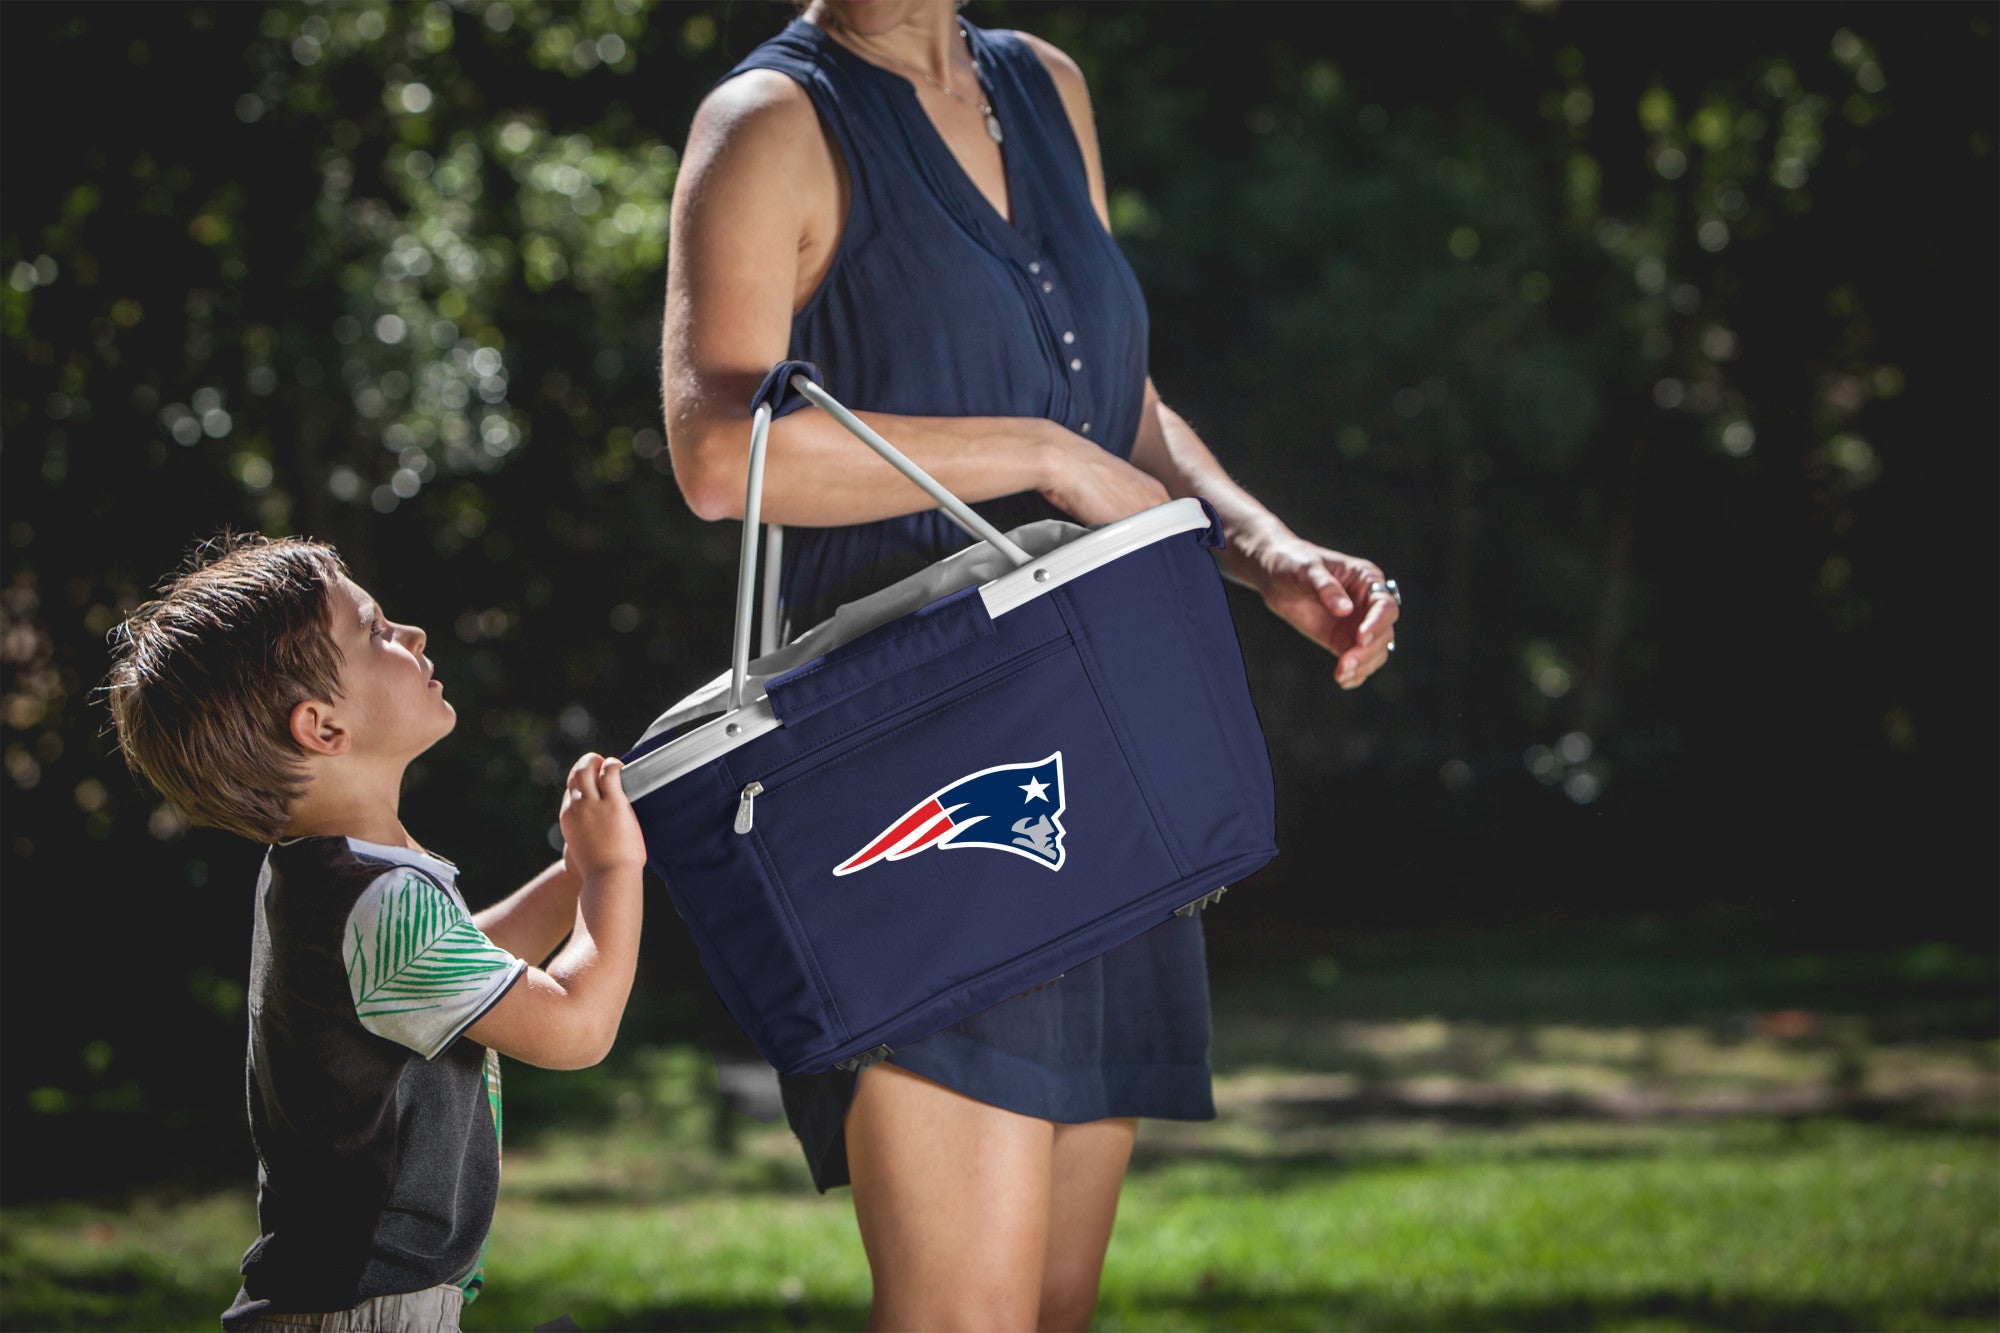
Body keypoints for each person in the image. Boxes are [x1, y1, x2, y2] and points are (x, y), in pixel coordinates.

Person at [660, 2, 1401, 1326]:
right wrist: (1040, 459)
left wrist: (1263, 549)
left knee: (1057, 1314)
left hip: (1106, 778)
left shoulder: (1046, 89)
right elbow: (724, 454)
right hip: (928, 802)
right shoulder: (769, 123)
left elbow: (1115, 401)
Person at [103, 532, 647, 1333]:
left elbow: (458, 962)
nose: (413, 635)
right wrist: (612, 876)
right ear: (322, 727)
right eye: (376, 631)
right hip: (366, 1309)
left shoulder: (330, 875)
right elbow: (576, 1024)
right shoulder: (376, 901)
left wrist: (574, 872)